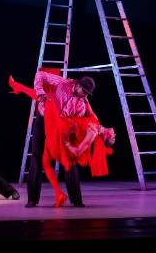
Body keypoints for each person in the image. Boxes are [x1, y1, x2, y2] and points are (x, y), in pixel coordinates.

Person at [9, 71, 114, 207]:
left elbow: (92, 117)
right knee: (37, 156)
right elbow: (40, 75)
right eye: (84, 91)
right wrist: (40, 92)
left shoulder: (82, 102)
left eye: (88, 93)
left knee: (69, 160)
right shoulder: (63, 83)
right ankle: (32, 200)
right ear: (77, 85)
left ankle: (76, 200)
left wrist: (104, 132)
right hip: (44, 119)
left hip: (61, 128)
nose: (85, 95)